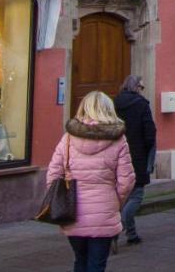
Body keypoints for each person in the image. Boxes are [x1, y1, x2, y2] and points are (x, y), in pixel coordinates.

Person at [47, 91, 135, 272]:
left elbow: (53, 174)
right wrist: (115, 202)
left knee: (80, 261)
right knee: (97, 265)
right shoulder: (118, 140)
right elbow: (127, 181)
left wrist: (60, 199)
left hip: (72, 211)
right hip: (104, 211)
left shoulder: (68, 138)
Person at [113, 75, 157, 247]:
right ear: (137, 87)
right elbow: (149, 131)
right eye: (142, 87)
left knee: (121, 195)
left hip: (116, 153)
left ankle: (132, 235)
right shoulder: (141, 104)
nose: (142, 90)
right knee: (136, 195)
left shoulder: (114, 103)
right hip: (137, 154)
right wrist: (150, 150)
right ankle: (117, 228)